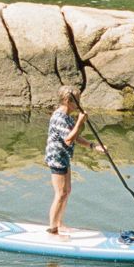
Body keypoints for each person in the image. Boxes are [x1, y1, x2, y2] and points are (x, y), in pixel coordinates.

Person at [44, 86, 106, 237]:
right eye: (77, 101)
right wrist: (79, 121)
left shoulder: (67, 117)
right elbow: (68, 139)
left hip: (64, 156)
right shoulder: (59, 117)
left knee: (67, 191)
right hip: (56, 157)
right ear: (67, 101)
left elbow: (75, 136)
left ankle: (59, 223)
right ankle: (52, 229)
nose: (79, 104)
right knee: (60, 193)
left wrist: (93, 146)